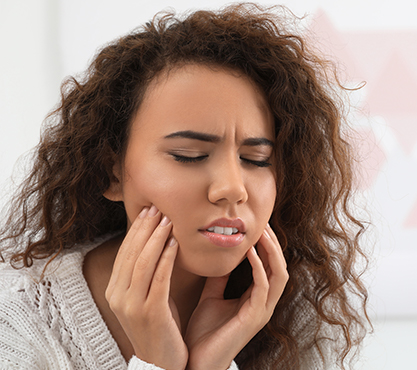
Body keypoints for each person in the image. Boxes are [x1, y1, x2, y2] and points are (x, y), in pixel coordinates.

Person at [0, 3, 370, 369]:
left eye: (257, 160)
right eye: (189, 155)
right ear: (110, 173)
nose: (232, 188)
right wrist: (156, 364)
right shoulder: (16, 321)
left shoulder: (301, 314)